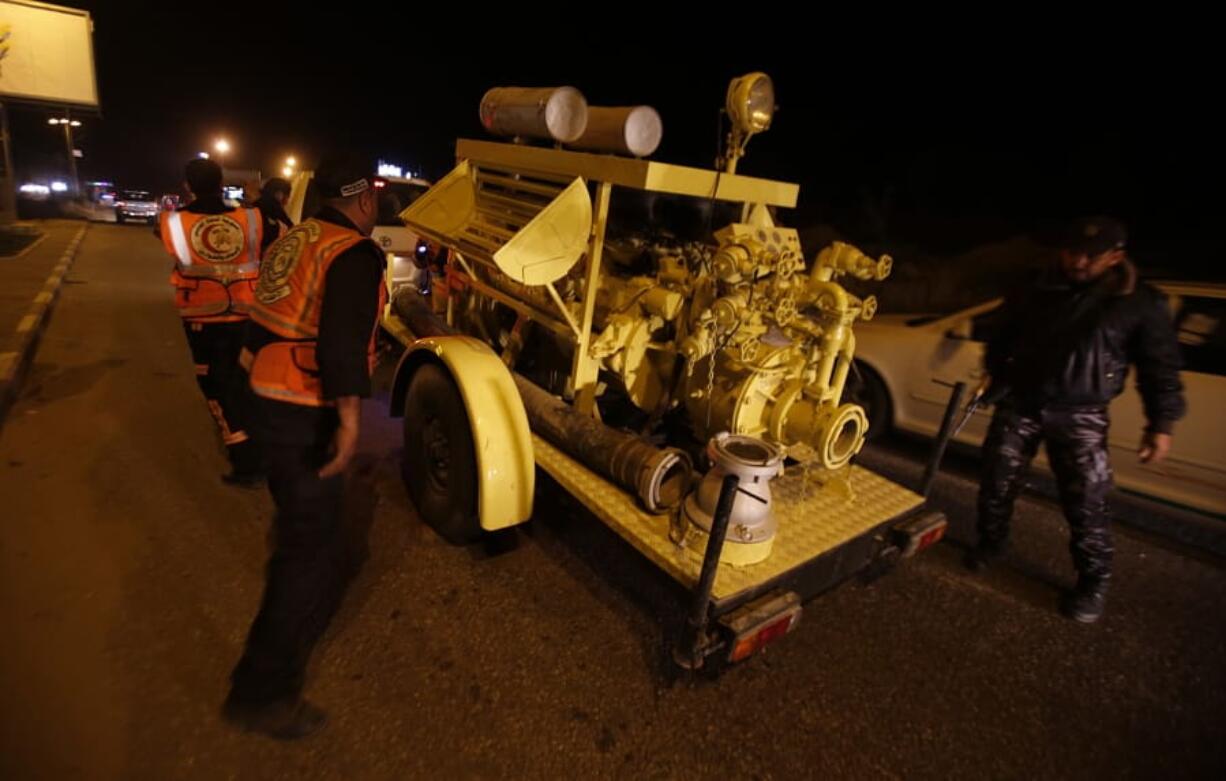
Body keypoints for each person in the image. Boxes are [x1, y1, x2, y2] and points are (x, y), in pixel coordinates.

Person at [223, 154, 386, 739]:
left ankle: (292, 525)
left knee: (299, 526)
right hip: (304, 411)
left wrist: (243, 393)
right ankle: (261, 692)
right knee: (305, 560)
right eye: (377, 200)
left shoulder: (296, 239)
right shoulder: (354, 254)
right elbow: (342, 347)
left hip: (266, 399)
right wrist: (348, 422)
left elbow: (260, 317)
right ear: (364, 199)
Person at [967, 216, 1186, 623]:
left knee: (1087, 501)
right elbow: (1004, 333)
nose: (1078, 261)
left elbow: (1161, 368)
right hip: (1022, 401)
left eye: (1091, 255)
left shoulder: (1139, 302)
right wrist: (993, 371)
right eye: (1071, 251)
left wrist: (1162, 423)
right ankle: (991, 543)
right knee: (996, 480)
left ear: (1115, 256)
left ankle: (1093, 581)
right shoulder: (1035, 284)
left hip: (1081, 414)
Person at [157, 158, 264, 484]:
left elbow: (174, 250)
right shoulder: (252, 218)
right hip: (246, 314)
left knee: (217, 389)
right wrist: (254, 198)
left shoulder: (173, 222)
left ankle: (246, 462)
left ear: (187, 185)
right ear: (221, 182)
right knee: (245, 384)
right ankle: (260, 446)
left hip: (203, 318)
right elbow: (276, 230)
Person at [252, 176, 294, 250]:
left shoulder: (254, 206)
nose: (286, 202)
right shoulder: (274, 208)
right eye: (287, 197)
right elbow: (292, 230)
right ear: (279, 194)